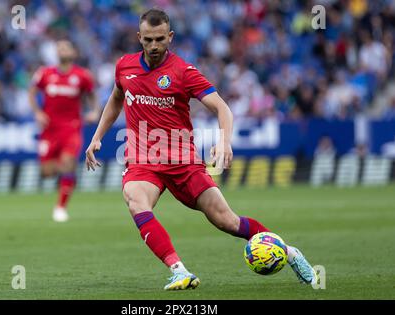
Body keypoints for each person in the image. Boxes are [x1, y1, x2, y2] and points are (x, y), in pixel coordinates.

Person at [85, 9, 316, 290]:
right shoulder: (124, 66)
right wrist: (97, 136)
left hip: (183, 160)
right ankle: (179, 270)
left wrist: (224, 140)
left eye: (160, 39)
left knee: (227, 221)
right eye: (148, 39)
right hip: (143, 159)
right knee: (136, 201)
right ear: (139, 38)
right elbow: (116, 98)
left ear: (170, 37)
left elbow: (222, 107)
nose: (154, 45)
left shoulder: (183, 72)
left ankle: (289, 252)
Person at [29, 40, 100, 222]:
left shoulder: (82, 75)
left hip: (72, 128)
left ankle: (60, 207)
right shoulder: (45, 73)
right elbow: (31, 93)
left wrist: (94, 111)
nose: (62, 50)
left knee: (68, 162)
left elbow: (92, 95)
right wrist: (37, 113)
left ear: (73, 52)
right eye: (59, 48)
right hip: (49, 130)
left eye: (66, 47)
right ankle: (69, 179)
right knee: (47, 173)